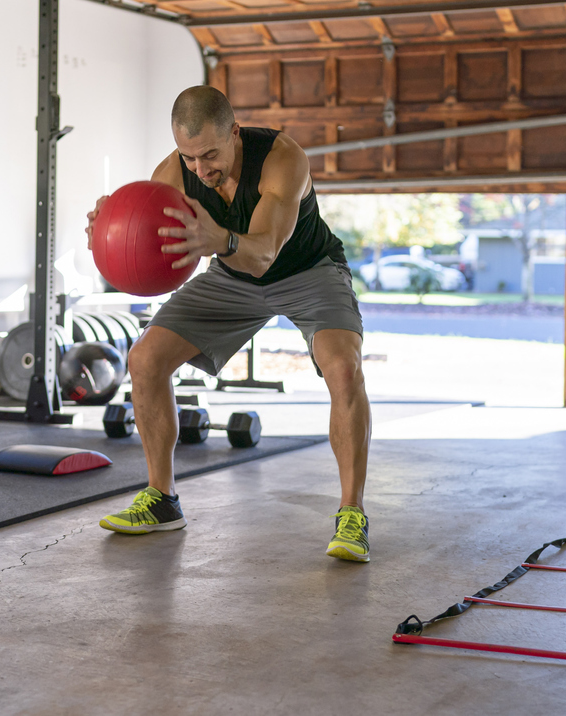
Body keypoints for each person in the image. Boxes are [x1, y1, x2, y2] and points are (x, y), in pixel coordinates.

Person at [85, 86, 372, 562]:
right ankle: (161, 499)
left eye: (211, 154)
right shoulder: (174, 173)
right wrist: (108, 230)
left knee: (343, 368)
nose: (201, 169)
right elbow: (144, 230)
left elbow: (263, 254)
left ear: (235, 132)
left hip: (306, 270)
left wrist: (218, 237)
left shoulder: (283, 159)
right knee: (145, 359)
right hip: (232, 277)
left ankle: (352, 515)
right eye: (189, 157)